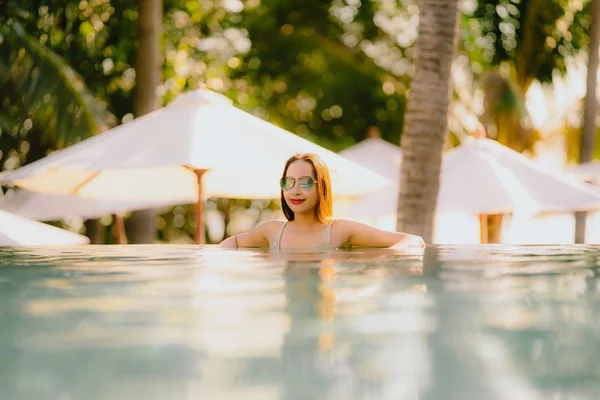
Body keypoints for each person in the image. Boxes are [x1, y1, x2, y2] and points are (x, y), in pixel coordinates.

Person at [219, 153, 425, 251]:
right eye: (288, 182)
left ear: (321, 187)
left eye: (305, 182)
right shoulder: (271, 232)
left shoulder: (339, 231)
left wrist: (390, 256)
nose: (295, 191)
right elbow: (234, 241)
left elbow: (414, 240)